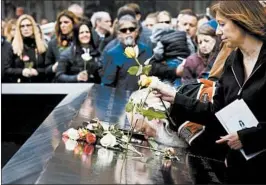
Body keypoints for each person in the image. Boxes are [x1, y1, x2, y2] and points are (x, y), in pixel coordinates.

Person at [154, 1, 266, 184]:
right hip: (238, 169)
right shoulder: (232, 61)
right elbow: (217, 112)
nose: (218, 31)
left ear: (242, 20)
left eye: (222, 24)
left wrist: (248, 137)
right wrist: (176, 98)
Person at [101, 14, 152, 91]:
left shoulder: (147, 50)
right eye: (123, 30)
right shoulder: (112, 54)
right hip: (123, 99)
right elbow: (107, 84)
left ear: (136, 31)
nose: (128, 32)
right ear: (119, 33)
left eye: (131, 29)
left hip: (146, 97)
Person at [5, 14, 47, 83]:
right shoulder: (12, 47)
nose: (25, 28)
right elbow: (6, 69)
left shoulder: (42, 46)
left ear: (33, 27)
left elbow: (48, 68)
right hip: (20, 87)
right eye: (22, 26)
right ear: (19, 29)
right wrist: (21, 71)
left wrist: (37, 71)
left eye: (28, 25)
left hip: (40, 85)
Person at [45, 10, 79, 82]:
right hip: (59, 82)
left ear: (74, 23)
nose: (62, 25)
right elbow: (46, 68)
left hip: (77, 79)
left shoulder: (79, 40)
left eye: (66, 22)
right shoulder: (53, 43)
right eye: (60, 23)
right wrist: (53, 68)